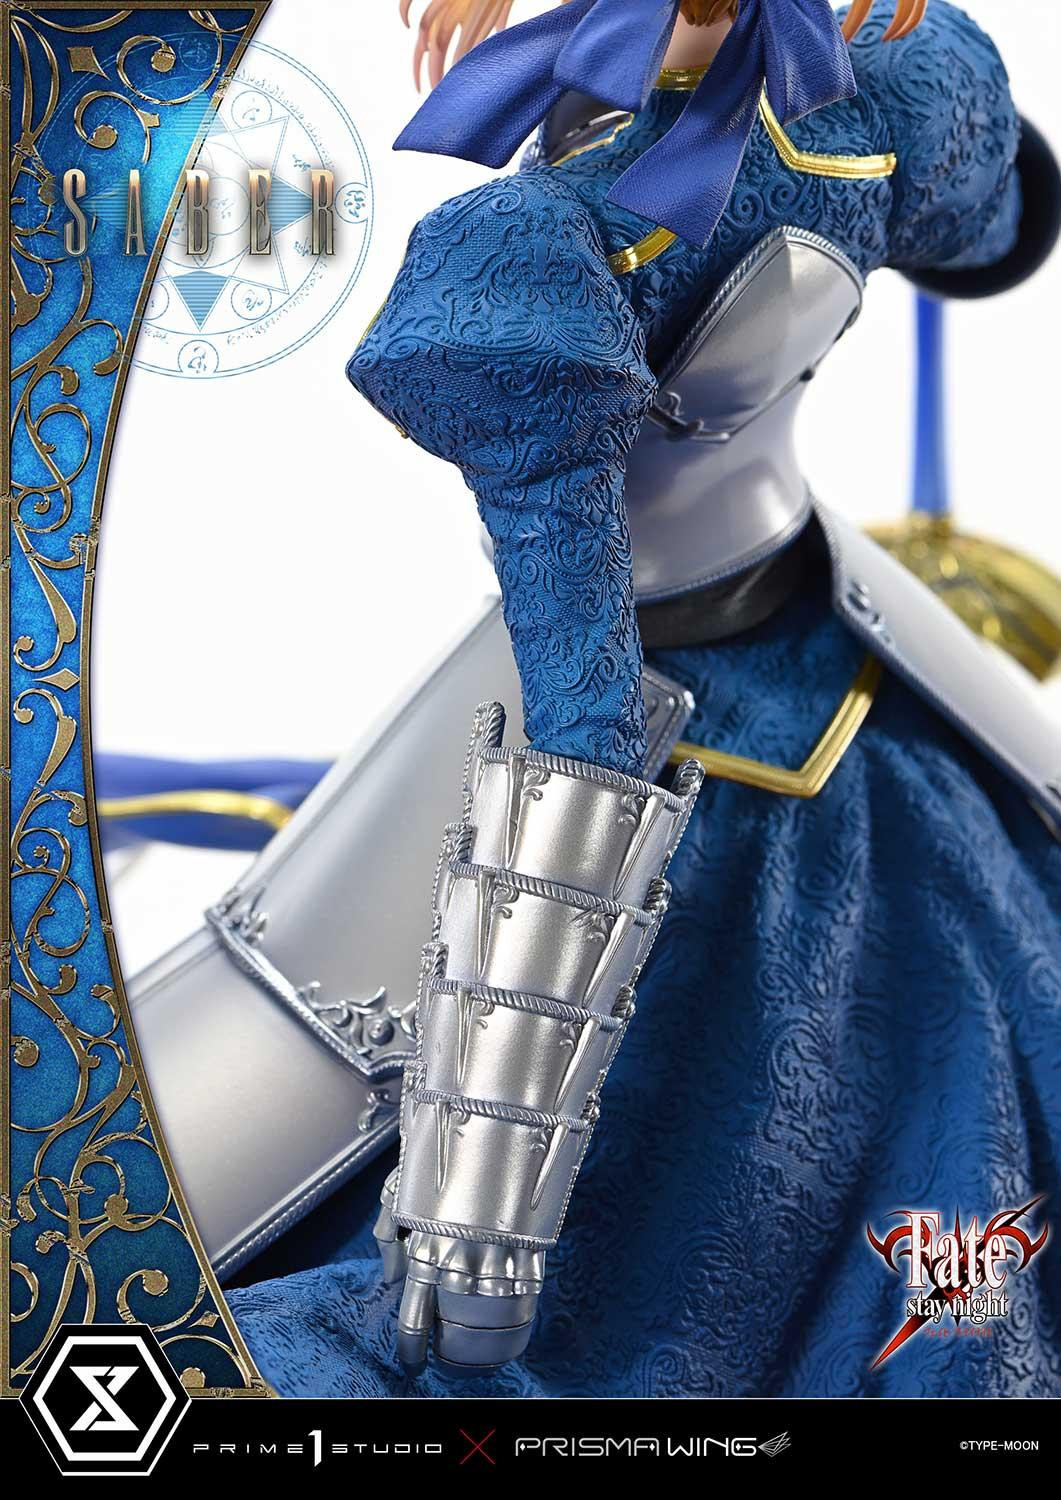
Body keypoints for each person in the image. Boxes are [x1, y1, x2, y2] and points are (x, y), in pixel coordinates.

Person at [225, 1, 1061, 1397]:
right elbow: (999, 227)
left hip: (640, 756)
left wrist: (475, 1241)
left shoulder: (529, 243)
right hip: (845, 661)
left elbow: (586, 727)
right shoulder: (888, 93)